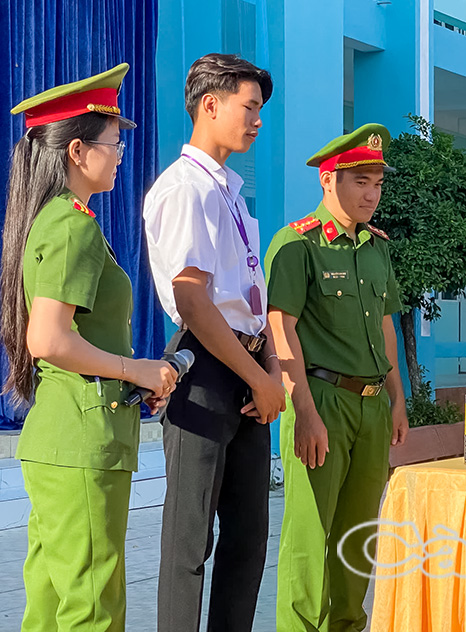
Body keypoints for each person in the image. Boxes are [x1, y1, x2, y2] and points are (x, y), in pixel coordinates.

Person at [0, 63, 178, 632]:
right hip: (82, 441)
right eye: (114, 141)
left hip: (66, 436)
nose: (122, 152)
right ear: (77, 151)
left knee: (52, 606)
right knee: (92, 609)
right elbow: (49, 339)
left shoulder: (54, 220)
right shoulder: (71, 224)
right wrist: (138, 370)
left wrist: (132, 377)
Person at [142, 53, 285, 631]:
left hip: (247, 367)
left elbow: (251, 295)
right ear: (210, 104)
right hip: (205, 367)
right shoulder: (185, 189)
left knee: (248, 539)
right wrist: (256, 378)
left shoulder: (230, 192)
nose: (257, 121)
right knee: (189, 542)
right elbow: (194, 300)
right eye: (249, 107)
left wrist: (270, 371)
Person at [264, 123, 409, 632]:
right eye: (360, 182)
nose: (372, 194)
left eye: (378, 183)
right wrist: (302, 411)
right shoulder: (298, 244)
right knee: (309, 536)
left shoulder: (376, 247)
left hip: (373, 406)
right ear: (329, 180)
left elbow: (386, 326)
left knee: (357, 535)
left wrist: (397, 399)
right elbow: (280, 328)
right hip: (322, 400)